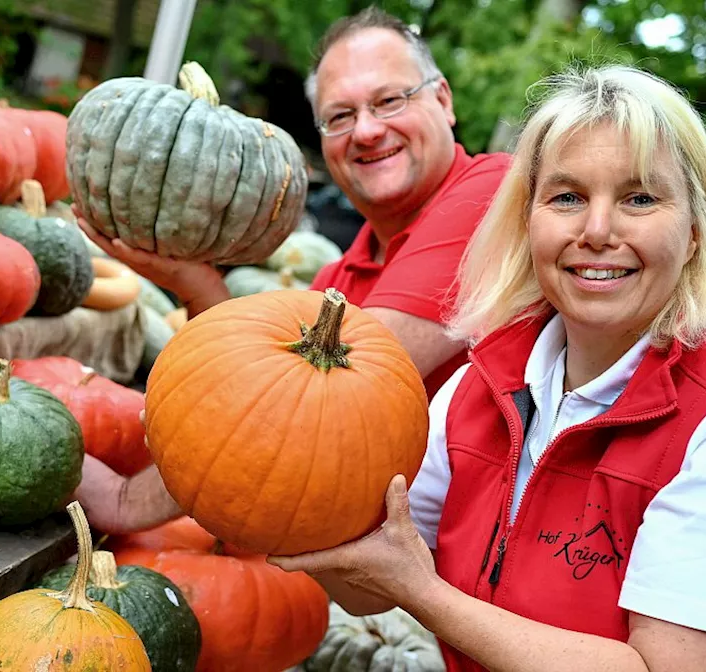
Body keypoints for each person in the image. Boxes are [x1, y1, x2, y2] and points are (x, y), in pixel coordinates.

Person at [268, 65, 706, 672]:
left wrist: (422, 591)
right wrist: (284, 490)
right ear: (527, 220)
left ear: (695, 233)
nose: (596, 231)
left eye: (639, 198)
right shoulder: (473, 388)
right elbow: (366, 581)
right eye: (567, 197)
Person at [75, 7, 511, 533]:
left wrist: (127, 502)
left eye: (389, 100)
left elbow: (297, 411)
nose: (367, 130)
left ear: (443, 100)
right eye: (340, 116)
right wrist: (190, 279)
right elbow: (267, 392)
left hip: (479, 573)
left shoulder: (493, 197)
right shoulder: (338, 282)